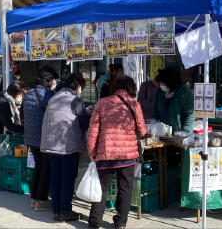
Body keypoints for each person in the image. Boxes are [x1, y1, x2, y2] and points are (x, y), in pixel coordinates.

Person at [87, 75, 147, 229]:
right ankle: (121, 223)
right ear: (131, 89)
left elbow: (93, 131)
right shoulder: (135, 105)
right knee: (125, 189)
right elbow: (142, 131)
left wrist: (92, 153)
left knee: (101, 189)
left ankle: (94, 222)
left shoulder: (102, 103)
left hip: (105, 154)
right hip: (128, 157)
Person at [41, 73, 91, 222]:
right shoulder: (75, 100)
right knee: (68, 179)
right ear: (77, 86)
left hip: (50, 145)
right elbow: (85, 123)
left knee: (56, 177)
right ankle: (66, 212)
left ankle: (57, 211)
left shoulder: (53, 98)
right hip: (66, 146)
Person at [22, 65, 59, 211]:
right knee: (46, 169)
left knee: (38, 167)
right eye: (55, 79)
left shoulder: (29, 93)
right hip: (44, 137)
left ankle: (34, 198)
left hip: (31, 137)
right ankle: (42, 201)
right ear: (50, 80)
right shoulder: (49, 96)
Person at [151, 67, 195, 132]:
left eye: (163, 83)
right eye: (160, 82)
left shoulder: (184, 93)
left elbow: (190, 115)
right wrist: (153, 119)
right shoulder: (159, 92)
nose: (161, 85)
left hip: (180, 132)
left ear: (170, 83)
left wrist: (185, 131)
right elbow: (155, 109)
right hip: (165, 132)